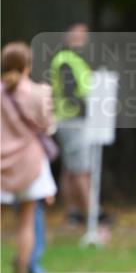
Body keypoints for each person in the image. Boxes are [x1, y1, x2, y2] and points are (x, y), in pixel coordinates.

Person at [1, 41, 57, 273]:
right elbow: (48, 126)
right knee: (26, 222)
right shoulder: (39, 92)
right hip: (30, 164)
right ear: (27, 66)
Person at [51, 22, 93, 226]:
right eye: (77, 34)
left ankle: (72, 214)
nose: (82, 38)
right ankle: (92, 215)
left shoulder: (75, 59)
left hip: (70, 120)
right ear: (66, 36)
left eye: (84, 34)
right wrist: (91, 107)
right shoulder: (66, 60)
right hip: (73, 120)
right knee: (80, 169)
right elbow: (71, 94)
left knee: (69, 169)